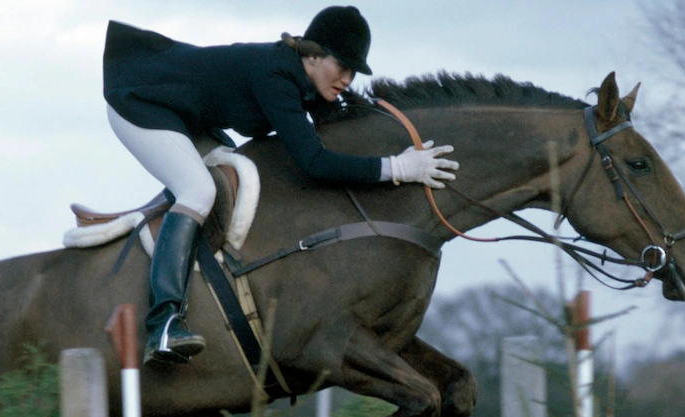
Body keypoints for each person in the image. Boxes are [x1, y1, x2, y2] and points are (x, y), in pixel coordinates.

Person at [103, 6, 459, 366]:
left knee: (227, 177)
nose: (348, 79)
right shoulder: (274, 74)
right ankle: (162, 324)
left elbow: (338, 134)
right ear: (314, 54)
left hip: (184, 117)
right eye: (343, 66)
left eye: (353, 71)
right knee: (199, 191)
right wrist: (398, 167)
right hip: (138, 103)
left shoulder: (304, 80)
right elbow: (315, 163)